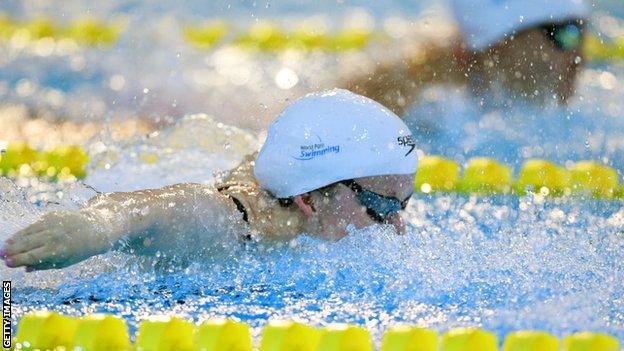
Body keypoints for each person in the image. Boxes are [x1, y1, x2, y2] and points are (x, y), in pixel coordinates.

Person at [0, 89, 418, 271]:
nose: (398, 225)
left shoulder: (316, 185)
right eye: (381, 207)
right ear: (309, 199)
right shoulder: (256, 223)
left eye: (404, 204)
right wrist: (99, 224)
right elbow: (180, 206)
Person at [344, 0, 588, 114]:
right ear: (499, 44)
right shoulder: (400, 98)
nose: (578, 57)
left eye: (582, 29)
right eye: (566, 34)